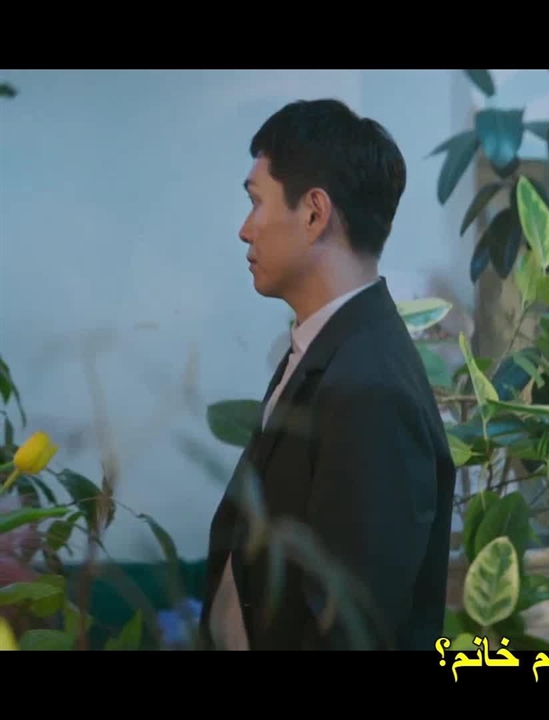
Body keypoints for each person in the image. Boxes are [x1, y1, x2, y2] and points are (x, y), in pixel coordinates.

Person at [199, 99, 456, 651]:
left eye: (256, 201)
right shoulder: (332, 348)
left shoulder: (371, 389)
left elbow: (352, 628)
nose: (245, 230)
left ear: (314, 213)